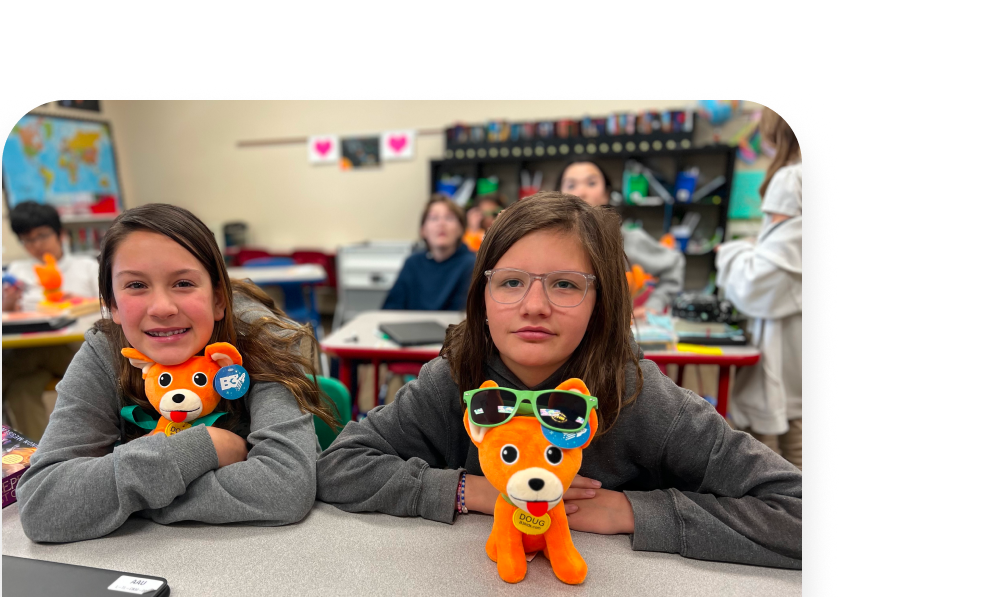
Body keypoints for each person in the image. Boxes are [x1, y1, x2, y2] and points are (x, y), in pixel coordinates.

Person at [316, 193, 801, 569]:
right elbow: (339, 466)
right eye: (510, 281)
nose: (533, 305)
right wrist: (474, 491)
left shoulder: (639, 395)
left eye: (565, 284)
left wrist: (631, 513)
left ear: (601, 303)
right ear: (482, 297)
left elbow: (800, 513)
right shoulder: (455, 377)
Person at [16, 203, 339, 543]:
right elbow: (42, 505)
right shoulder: (105, 352)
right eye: (136, 286)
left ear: (218, 299)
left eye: (183, 283)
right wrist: (205, 446)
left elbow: (285, 487)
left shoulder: (260, 343)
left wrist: (125, 500)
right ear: (111, 303)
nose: (162, 308)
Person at [715, 108, 803, 470]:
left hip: (785, 337)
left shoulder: (791, 178)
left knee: (781, 446)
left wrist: (733, 252)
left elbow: (758, 282)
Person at [1, 202, 102, 440]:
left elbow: (110, 306)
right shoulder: (18, 270)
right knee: (21, 390)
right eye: (27, 240)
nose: (36, 245)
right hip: (30, 354)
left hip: (74, 352)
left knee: (13, 364)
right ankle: (39, 458)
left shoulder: (86, 267)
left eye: (42, 236)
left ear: (60, 234)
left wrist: (76, 302)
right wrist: (9, 303)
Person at [556, 160, 684, 318]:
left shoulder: (627, 239)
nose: (581, 192)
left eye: (591, 183)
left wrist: (654, 306)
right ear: (558, 196)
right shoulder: (551, 243)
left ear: (606, 194)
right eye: (571, 185)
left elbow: (674, 263)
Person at [383, 194, 476, 311]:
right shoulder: (413, 263)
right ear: (423, 231)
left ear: (461, 229)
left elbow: (465, 315)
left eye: (449, 218)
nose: (441, 223)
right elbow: (390, 309)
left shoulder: (471, 265)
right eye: (433, 218)